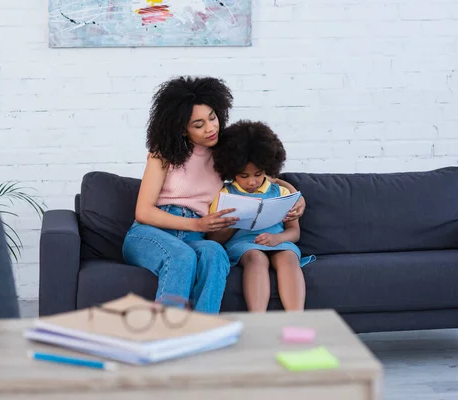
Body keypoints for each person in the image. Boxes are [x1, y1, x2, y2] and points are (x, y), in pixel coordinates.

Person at [122, 76, 306, 314]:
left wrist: (295, 194)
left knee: (216, 253)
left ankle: (202, 332)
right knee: (182, 257)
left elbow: (263, 175)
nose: (211, 128)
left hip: (195, 237)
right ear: (182, 129)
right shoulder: (162, 155)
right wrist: (196, 223)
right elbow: (144, 211)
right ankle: (165, 338)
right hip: (151, 233)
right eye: (198, 125)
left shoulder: (225, 154)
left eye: (213, 118)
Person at [208, 120, 316, 312]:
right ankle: (258, 319)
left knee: (289, 257)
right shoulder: (225, 195)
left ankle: (297, 318)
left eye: (258, 174)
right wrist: (232, 223)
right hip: (244, 245)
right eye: (244, 176)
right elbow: (214, 238)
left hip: (278, 241)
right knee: (256, 258)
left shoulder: (281, 191)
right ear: (232, 171)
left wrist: (278, 238)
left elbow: (294, 232)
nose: (252, 182)